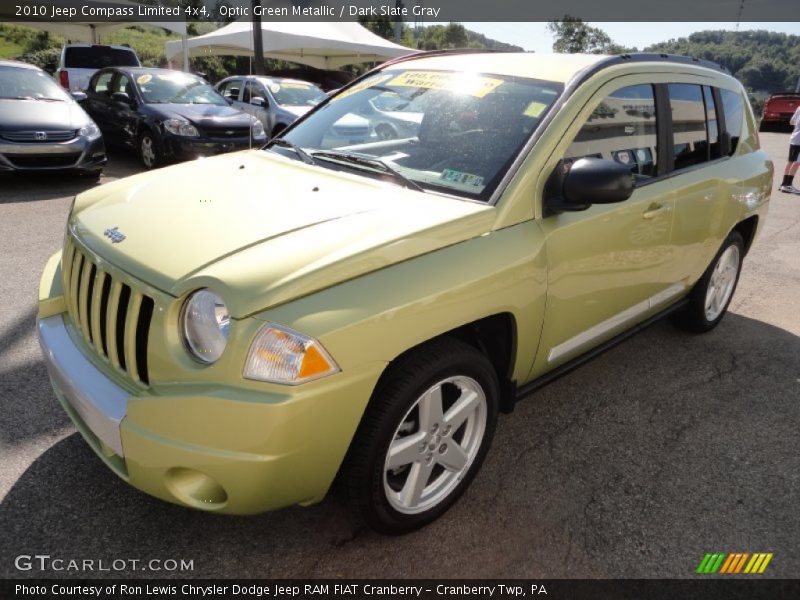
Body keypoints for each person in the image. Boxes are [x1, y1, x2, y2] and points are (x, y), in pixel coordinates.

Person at [778, 104, 800, 193]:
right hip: (799, 140)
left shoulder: (799, 108)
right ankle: (788, 185)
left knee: (791, 161)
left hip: (794, 138)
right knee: (797, 162)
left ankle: (784, 184)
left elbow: (791, 122)